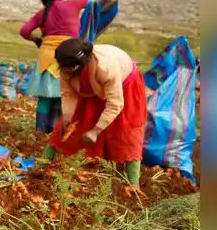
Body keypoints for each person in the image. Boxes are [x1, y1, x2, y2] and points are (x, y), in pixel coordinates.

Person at [40, 38, 147, 187]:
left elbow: (115, 104)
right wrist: (67, 117)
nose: (60, 69)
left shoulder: (106, 68)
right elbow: (68, 94)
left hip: (124, 86)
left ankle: (133, 184)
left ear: (76, 66)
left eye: (63, 67)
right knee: (65, 127)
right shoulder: (65, 67)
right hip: (91, 86)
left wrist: (95, 131)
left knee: (126, 130)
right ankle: (42, 164)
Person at [19, 0, 90, 133]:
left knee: (45, 97)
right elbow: (95, 1)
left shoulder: (41, 14)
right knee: (63, 95)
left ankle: (40, 132)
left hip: (47, 57)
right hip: (68, 56)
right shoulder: (73, 4)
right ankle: (58, 132)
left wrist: (37, 40)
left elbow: (24, 31)